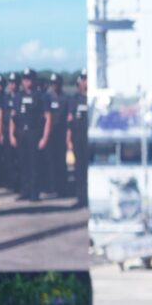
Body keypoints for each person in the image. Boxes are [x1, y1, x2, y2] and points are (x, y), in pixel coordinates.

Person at [10, 68, 50, 202]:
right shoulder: (18, 96)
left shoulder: (41, 96)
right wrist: (12, 134)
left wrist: (44, 137)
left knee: (34, 164)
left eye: (30, 79)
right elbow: (13, 116)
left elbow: (47, 117)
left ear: (34, 80)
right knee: (23, 163)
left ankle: (35, 193)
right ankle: (25, 191)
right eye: (25, 79)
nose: (27, 82)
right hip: (21, 132)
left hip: (34, 132)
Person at [66, 70, 89, 208]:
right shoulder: (74, 99)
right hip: (78, 137)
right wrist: (68, 140)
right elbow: (69, 122)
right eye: (83, 79)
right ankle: (81, 198)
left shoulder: (93, 98)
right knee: (79, 169)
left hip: (90, 138)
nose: (85, 82)